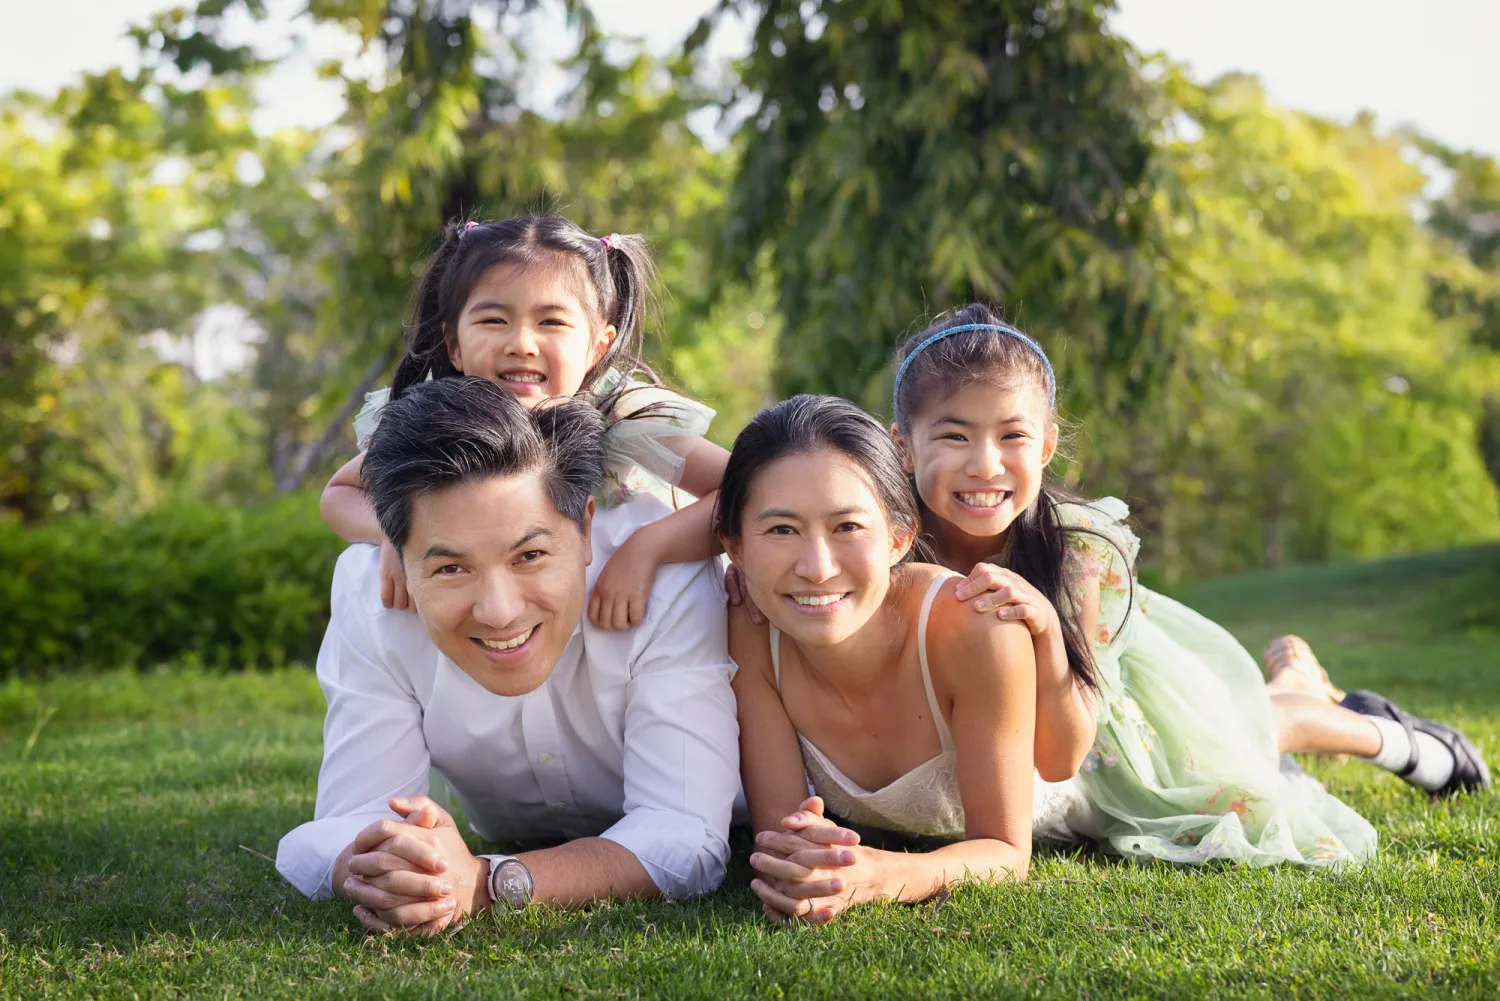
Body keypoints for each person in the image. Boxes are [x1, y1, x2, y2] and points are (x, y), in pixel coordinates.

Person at [884, 303, 1490, 866]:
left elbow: (1063, 755)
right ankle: (1295, 682)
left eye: (1012, 436)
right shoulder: (875, 541)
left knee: (1230, 749)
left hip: (1101, 719)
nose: (985, 464)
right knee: (1242, 729)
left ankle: (1400, 740)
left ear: (1046, 446)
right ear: (902, 447)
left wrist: (1044, 629)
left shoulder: (1075, 555)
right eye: (954, 435)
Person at [277, 377, 740, 935]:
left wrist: (485, 881)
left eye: (531, 555)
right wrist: (385, 868)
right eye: (451, 568)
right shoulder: (370, 594)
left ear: (587, 528)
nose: (498, 612)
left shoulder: (666, 582)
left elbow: (686, 835)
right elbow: (340, 824)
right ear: (396, 553)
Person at [721, 394, 1096, 926]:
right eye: (782, 530)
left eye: (847, 527)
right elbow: (784, 838)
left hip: (1097, 760)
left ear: (901, 536)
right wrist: (806, 863)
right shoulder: (751, 622)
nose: (817, 568)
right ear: (733, 547)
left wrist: (877, 876)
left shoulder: (979, 626)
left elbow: (1006, 852)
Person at [320, 215, 727, 631]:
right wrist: (395, 532)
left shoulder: (620, 412)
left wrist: (647, 549)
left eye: (551, 322)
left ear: (597, 348)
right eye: (494, 320)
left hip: (620, 624)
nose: (521, 344)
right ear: (454, 345)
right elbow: (339, 493)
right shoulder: (436, 420)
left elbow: (743, 494)